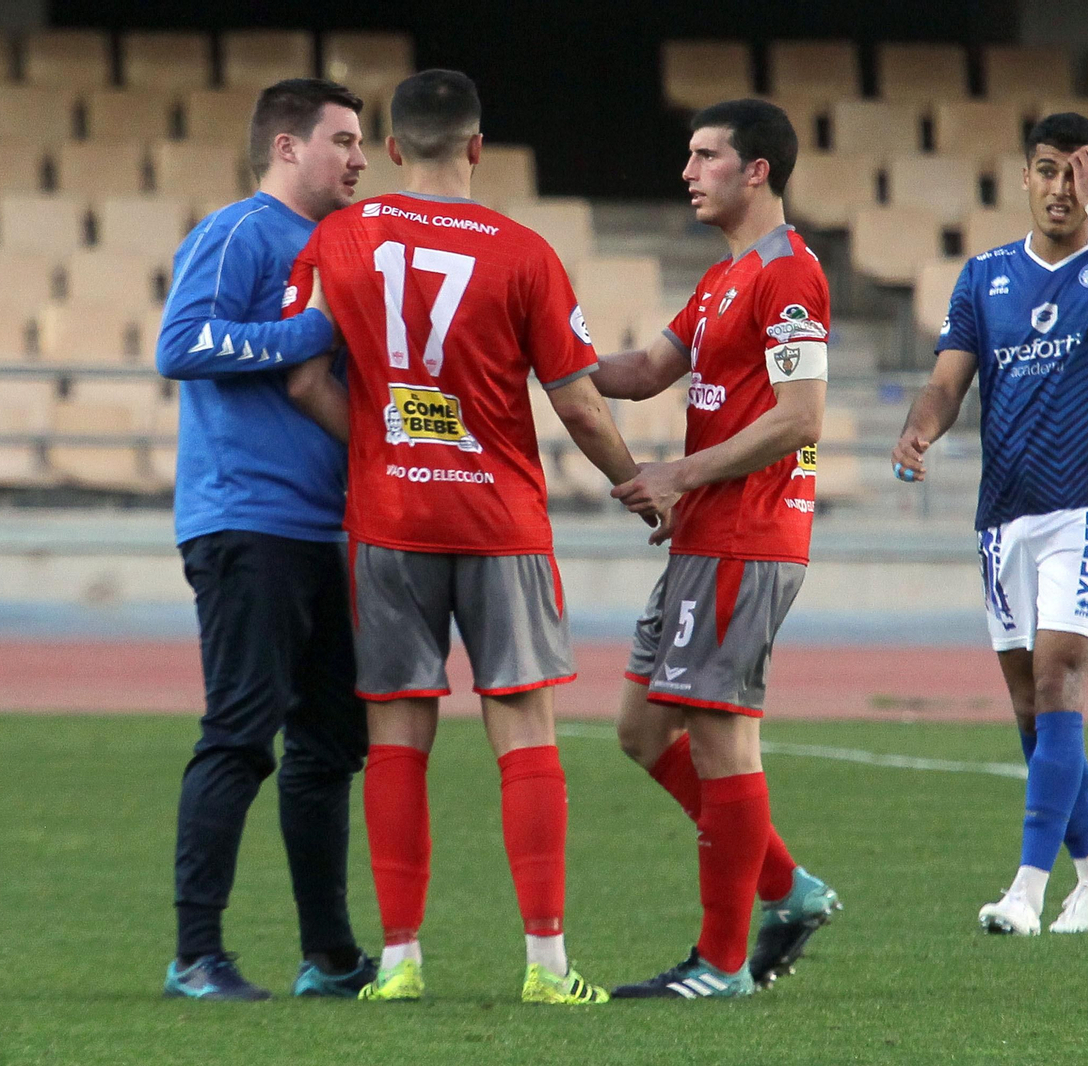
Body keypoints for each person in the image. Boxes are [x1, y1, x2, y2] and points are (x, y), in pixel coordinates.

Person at [284, 68, 651, 1006]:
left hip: (390, 520)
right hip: (500, 524)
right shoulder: (524, 252)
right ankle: (546, 967)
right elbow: (575, 401)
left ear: (395, 148)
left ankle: (400, 964)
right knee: (523, 730)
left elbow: (301, 379)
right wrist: (639, 486)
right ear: (478, 147)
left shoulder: (341, 236)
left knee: (397, 734)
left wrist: (380, 444)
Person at [587, 99, 840, 1000]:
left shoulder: (789, 275)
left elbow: (801, 417)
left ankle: (723, 963)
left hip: (746, 533)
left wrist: (680, 474)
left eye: (706, 156)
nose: (688, 172)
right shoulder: (724, 278)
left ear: (758, 169)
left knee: (725, 739)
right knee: (642, 729)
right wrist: (542, 346)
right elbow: (647, 371)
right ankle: (787, 889)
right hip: (706, 536)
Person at [891, 112, 1088, 936]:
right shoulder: (984, 277)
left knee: (1058, 681)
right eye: (1047, 171)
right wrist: (920, 429)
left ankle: (1026, 888)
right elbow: (948, 380)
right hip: (1005, 509)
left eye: (1076, 174)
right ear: (1024, 179)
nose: (1060, 188)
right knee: (1029, 706)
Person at [153, 78, 375, 1001]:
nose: (360, 157)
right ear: (287, 147)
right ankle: (197, 955)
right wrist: (313, 328)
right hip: (245, 518)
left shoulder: (335, 249)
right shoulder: (242, 232)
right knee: (243, 730)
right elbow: (183, 344)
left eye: (364, 143)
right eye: (345, 140)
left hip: (321, 528)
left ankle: (327, 957)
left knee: (330, 744)